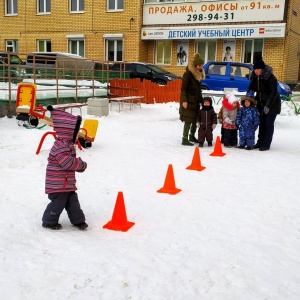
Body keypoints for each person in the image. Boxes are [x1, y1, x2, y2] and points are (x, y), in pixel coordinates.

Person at [42, 105, 88, 230]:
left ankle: (78, 220)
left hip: (65, 183)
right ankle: (48, 220)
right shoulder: (60, 146)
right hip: (57, 184)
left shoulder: (67, 144)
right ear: (68, 131)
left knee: (73, 201)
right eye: (75, 131)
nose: (77, 135)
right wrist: (81, 164)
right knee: (58, 203)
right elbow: (67, 163)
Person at [247, 59, 281, 151]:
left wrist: (268, 106)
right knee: (261, 123)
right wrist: (248, 99)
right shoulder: (254, 77)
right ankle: (260, 142)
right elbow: (250, 90)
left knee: (268, 124)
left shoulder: (271, 78)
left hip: (272, 104)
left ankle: (266, 144)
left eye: (258, 69)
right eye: (255, 69)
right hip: (261, 104)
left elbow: (273, 93)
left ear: (262, 69)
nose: (256, 71)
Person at [179, 53, 205, 146]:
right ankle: (184, 138)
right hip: (189, 101)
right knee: (188, 119)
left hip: (196, 101)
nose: (201, 67)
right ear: (195, 66)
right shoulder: (188, 74)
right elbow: (183, 89)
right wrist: (184, 101)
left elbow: (198, 90)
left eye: (202, 65)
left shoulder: (199, 75)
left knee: (195, 119)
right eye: (199, 65)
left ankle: (192, 136)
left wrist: (202, 100)